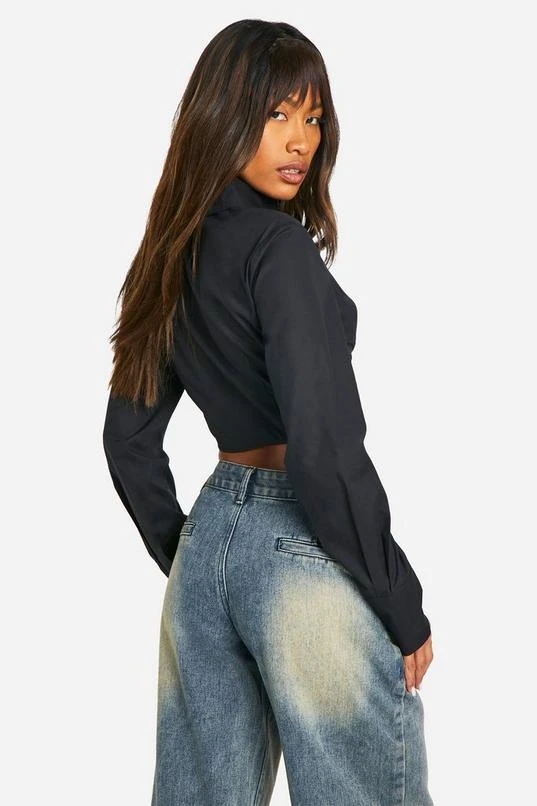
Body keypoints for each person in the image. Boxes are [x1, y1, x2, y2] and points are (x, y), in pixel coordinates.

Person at [102, 18, 434, 806]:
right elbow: (322, 448)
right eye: (275, 113)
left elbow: (127, 442)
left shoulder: (171, 256)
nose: (299, 140)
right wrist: (400, 598)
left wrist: (199, 559)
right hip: (303, 543)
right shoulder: (276, 250)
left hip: (206, 546)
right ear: (222, 116)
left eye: (312, 117)